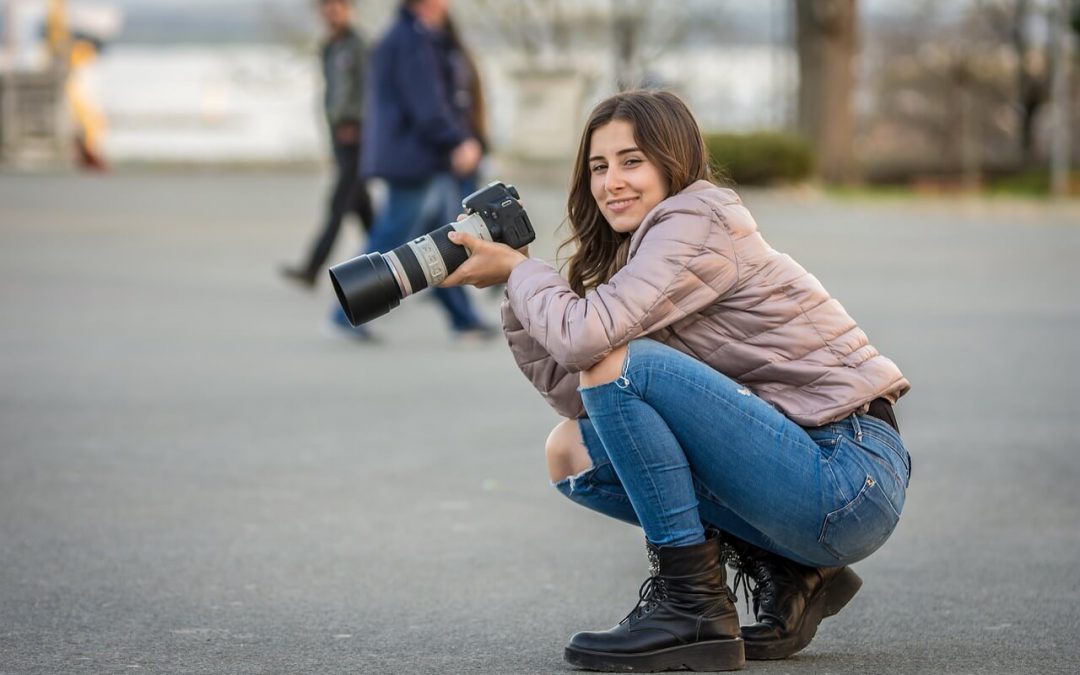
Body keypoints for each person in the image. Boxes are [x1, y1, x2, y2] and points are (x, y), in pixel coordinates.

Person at [441, 90, 911, 672]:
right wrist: (515, 292)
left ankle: (691, 607)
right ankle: (791, 569)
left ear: (674, 162)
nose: (612, 181)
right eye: (599, 166)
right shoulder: (643, 252)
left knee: (617, 359)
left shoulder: (697, 219)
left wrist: (521, 272)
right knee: (572, 452)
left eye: (632, 161)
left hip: (848, 474)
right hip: (797, 477)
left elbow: (594, 348)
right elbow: (583, 396)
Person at [332, 0, 493, 340]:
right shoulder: (409, 40)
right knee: (392, 236)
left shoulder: (422, 36)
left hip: (422, 158)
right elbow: (427, 104)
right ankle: (343, 314)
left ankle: (463, 320)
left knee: (447, 238)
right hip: (413, 160)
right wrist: (457, 141)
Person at [281, 0, 374, 289]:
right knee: (363, 209)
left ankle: (312, 267)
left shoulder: (358, 46)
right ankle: (397, 263)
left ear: (349, 9)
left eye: (338, 6)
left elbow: (369, 90)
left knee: (338, 204)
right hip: (338, 136)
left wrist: (357, 124)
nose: (331, 11)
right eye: (326, 6)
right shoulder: (331, 47)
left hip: (355, 136)